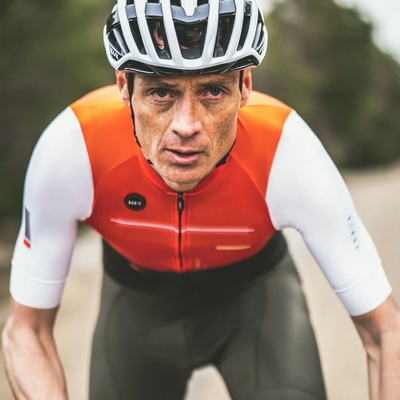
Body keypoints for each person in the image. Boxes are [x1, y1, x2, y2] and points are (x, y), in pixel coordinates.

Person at [2, 0, 400, 399]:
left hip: (256, 300)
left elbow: (385, 333)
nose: (187, 125)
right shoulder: (73, 149)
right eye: (161, 92)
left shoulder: (288, 153)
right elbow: (26, 329)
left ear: (245, 87)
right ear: (124, 86)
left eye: (213, 91)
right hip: (137, 306)